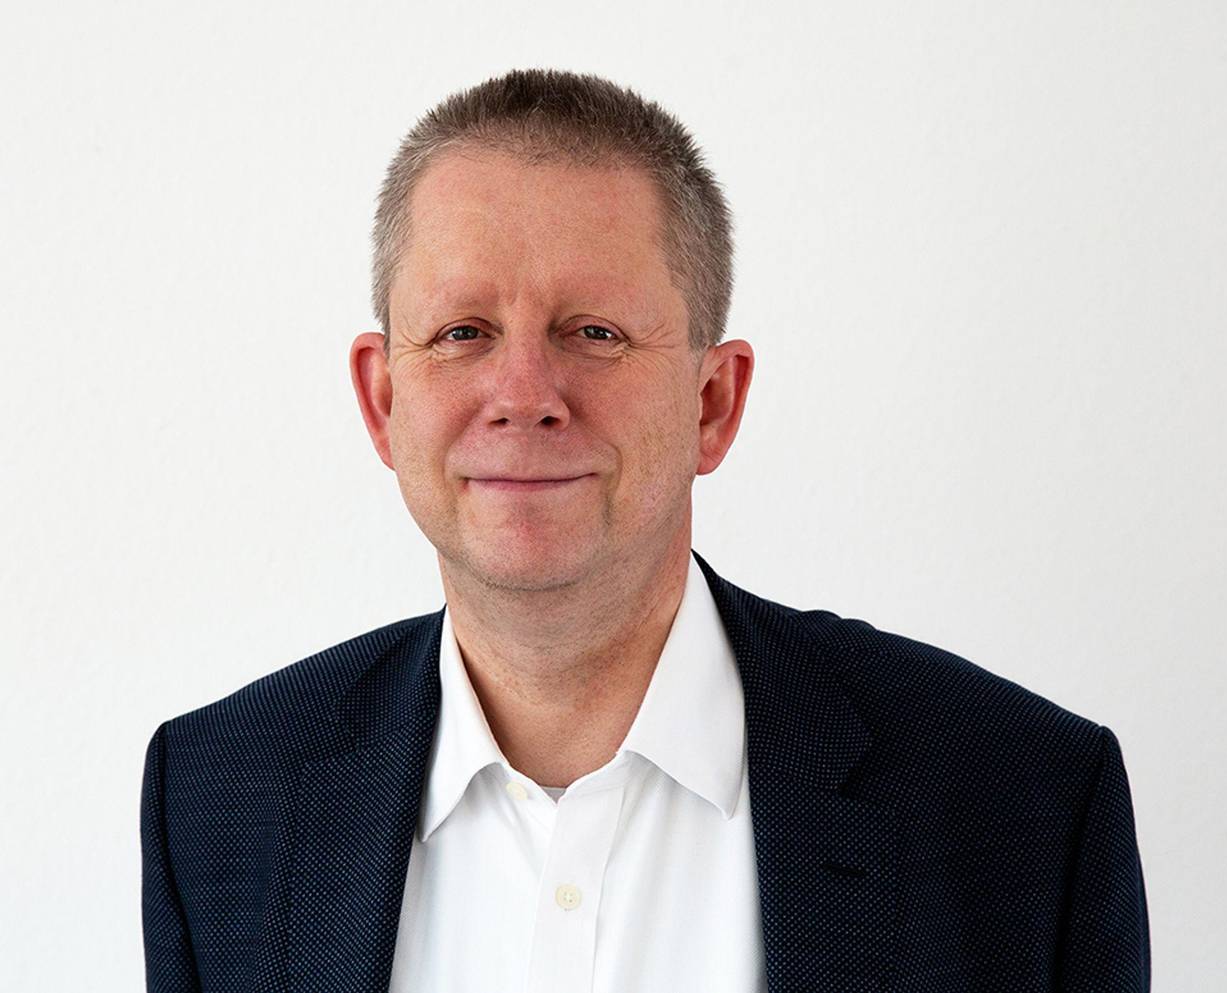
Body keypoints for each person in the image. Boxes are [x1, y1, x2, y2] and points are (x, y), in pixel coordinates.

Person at [140, 68, 1151, 992]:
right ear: (382, 399)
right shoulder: (218, 799)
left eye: (595, 333)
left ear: (712, 402)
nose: (523, 394)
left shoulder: (1020, 804)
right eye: (462, 332)